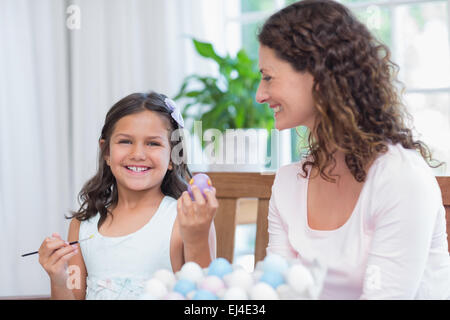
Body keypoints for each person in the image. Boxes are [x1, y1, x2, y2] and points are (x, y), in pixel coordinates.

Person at [256, 0, 450, 299]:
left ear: (318, 76)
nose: (260, 94)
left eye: (268, 77)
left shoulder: (399, 178)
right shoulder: (288, 184)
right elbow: (277, 293)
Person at [38, 91, 218, 299]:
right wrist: (58, 278)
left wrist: (197, 236)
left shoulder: (187, 220)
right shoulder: (82, 226)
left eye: (153, 143)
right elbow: (74, 292)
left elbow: (205, 298)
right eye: (125, 141)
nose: (138, 154)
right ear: (106, 152)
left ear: (172, 156)